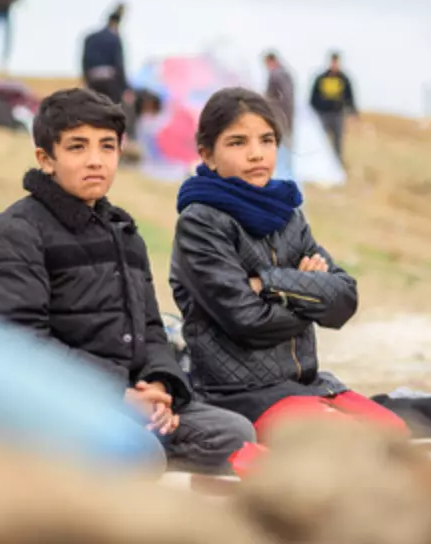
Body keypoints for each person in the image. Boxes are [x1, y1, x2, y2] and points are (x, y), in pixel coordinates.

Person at [0, 88, 255, 472]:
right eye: (77, 147)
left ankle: (123, 453)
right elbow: (14, 345)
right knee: (137, 452)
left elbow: (151, 329)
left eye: (107, 147)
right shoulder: (12, 235)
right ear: (45, 159)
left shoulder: (123, 232)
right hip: (47, 402)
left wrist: (159, 386)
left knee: (234, 434)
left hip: (126, 399)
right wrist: (116, 395)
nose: (95, 161)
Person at [169, 87, 406, 440]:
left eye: (266, 140)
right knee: (353, 442)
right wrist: (307, 292)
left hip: (306, 383)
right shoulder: (200, 222)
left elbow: (344, 300)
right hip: (238, 393)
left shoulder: (287, 215)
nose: (256, 154)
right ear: (208, 155)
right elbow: (247, 319)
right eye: (237, 142)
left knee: (395, 433)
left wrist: (270, 283)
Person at [308, 52, 357, 165]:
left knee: (338, 141)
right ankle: (320, 163)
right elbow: (313, 96)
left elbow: (349, 96)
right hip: (323, 114)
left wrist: (352, 112)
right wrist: (314, 111)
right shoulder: (321, 78)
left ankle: (337, 164)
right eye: (333, 62)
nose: (334, 64)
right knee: (321, 140)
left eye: (337, 62)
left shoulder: (344, 79)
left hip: (338, 114)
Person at [81, 11, 130, 106]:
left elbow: (84, 61)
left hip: (93, 80)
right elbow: (119, 63)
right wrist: (124, 87)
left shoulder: (90, 38)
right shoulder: (114, 38)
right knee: (112, 108)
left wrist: (86, 79)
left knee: (95, 108)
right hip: (110, 81)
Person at [263, 51, 295, 180]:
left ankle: (283, 177)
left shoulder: (274, 75)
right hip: (288, 118)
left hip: (278, 118)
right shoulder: (287, 74)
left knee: (280, 151)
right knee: (287, 151)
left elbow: (271, 98)